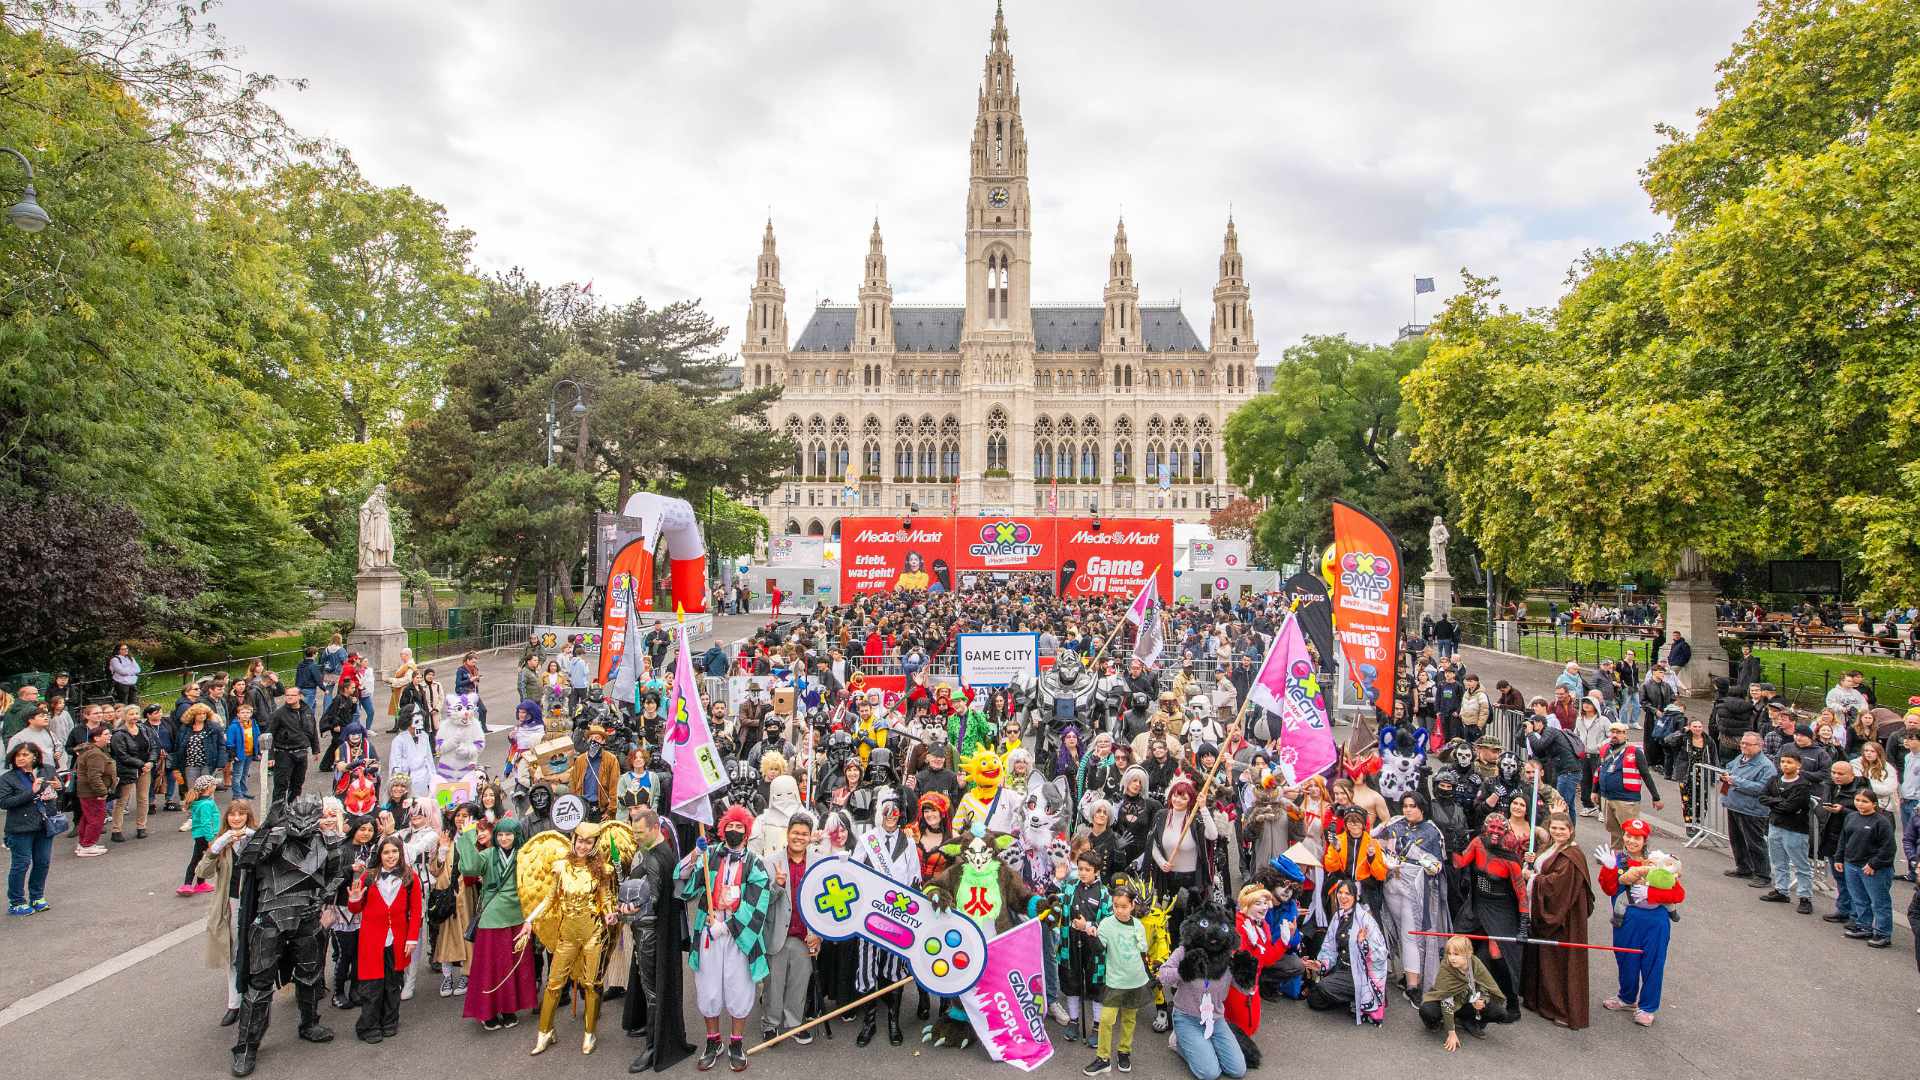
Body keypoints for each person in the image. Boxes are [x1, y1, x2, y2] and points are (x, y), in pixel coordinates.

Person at [231, 794, 350, 1077]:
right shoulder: (274, 839)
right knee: (259, 983)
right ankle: (247, 1045)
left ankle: (309, 1023)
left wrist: (320, 898)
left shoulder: (328, 842)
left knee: (310, 974)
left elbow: (338, 873)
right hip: (270, 918)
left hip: (306, 918)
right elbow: (246, 861)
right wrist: (265, 827)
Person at [677, 804, 777, 1072]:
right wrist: (695, 854)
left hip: (739, 937)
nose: (734, 830)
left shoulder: (756, 864)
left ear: (746, 831)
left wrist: (728, 925)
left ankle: (735, 1042)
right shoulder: (710, 855)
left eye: (739, 827)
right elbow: (683, 882)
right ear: (722, 830)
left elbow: (759, 902)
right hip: (709, 932)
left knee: (739, 989)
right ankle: (713, 1041)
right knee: (708, 989)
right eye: (729, 826)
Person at [623, 805, 693, 1073]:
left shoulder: (655, 858)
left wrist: (625, 910)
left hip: (650, 933)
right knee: (649, 986)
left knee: (652, 990)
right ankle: (649, 1033)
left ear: (654, 829)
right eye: (634, 831)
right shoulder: (657, 852)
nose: (635, 836)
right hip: (651, 932)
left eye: (639, 832)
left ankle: (654, 1045)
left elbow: (650, 899)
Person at [1595, 817, 1682, 1026]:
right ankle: (1626, 997)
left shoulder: (1659, 862)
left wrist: (1650, 893)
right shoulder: (1617, 861)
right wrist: (1608, 869)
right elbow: (1608, 890)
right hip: (1626, 920)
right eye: (1628, 835)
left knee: (1653, 963)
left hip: (1655, 922)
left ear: (1645, 840)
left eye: (1637, 837)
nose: (1631, 841)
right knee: (1625, 959)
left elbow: (1678, 894)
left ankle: (1647, 1007)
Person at [345, 833, 423, 1044]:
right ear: (380, 854)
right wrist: (354, 899)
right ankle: (368, 1026)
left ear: (400, 853)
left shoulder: (410, 877)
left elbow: (416, 911)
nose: (391, 856)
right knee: (372, 986)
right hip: (372, 940)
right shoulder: (368, 877)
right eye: (386, 852)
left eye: (395, 852)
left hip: (397, 940)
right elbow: (355, 907)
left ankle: (389, 1022)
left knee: (392, 984)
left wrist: (412, 939)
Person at [1158, 904, 1247, 1080]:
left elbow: (1244, 988)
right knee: (1210, 1073)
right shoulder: (1185, 951)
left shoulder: (1228, 957)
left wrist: (1247, 975)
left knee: (1237, 1070)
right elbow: (1163, 975)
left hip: (1215, 1018)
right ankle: (1178, 1041)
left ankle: (1204, 1046)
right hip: (1187, 1017)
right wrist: (1184, 972)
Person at [1376, 793, 1451, 1001]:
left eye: (1413, 806)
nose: (1408, 810)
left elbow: (1438, 865)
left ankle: (1413, 985)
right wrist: (1384, 859)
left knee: (1412, 934)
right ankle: (1408, 976)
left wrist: (1424, 861)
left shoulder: (1432, 831)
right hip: (1391, 885)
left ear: (1422, 808)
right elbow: (1373, 843)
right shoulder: (1394, 823)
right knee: (1399, 931)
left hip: (1415, 889)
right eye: (1405, 806)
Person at [465, 818, 538, 1030]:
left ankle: (508, 1009)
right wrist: (469, 835)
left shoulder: (525, 856)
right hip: (492, 916)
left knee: (512, 965)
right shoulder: (488, 854)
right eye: (500, 835)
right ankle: (487, 1011)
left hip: (518, 915)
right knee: (490, 966)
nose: (504, 838)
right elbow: (470, 868)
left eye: (508, 834)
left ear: (516, 835)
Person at [1521, 813, 1592, 1029]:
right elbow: (1545, 869)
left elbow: (1556, 886)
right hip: (1550, 912)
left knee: (1560, 962)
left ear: (1571, 830)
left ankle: (1562, 1009)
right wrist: (1532, 864)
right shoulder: (1550, 847)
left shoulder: (1572, 855)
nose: (1558, 832)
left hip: (1564, 918)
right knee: (1544, 958)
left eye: (1562, 829)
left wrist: (1531, 878)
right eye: (1554, 828)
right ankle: (1540, 1001)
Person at [760, 810, 820, 1044]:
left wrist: (819, 936)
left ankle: (795, 1023)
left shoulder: (818, 863)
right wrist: (777, 885)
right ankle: (770, 1023)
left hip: (805, 935)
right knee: (773, 983)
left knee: (799, 981)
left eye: (804, 834)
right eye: (795, 832)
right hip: (777, 933)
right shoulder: (770, 862)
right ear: (787, 834)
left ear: (810, 836)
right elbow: (762, 902)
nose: (799, 837)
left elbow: (822, 905)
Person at [197, 799, 258, 1026]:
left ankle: (254, 999)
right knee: (233, 955)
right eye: (232, 814)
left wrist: (255, 840)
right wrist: (215, 849)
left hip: (254, 904)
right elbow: (202, 871)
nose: (236, 818)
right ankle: (234, 1003)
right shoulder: (222, 844)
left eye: (241, 814)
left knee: (254, 952)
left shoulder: (256, 838)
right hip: (230, 904)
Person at [1085, 879, 1151, 1076]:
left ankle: (1124, 1051)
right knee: (1106, 1020)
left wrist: (1142, 943)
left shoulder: (1138, 925)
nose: (1120, 910)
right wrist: (1092, 935)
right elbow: (1098, 950)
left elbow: (1143, 949)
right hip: (1115, 981)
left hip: (1136, 980)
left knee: (1129, 1019)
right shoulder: (1106, 924)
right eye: (1116, 906)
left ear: (1132, 905)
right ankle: (1103, 1058)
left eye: (1124, 906)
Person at [1304, 876, 1389, 1024]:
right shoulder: (1338, 916)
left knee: (1323, 987)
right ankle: (1352, 997)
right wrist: (1321, 964)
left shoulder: (1365, 919)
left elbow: (1381, 953)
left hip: (1361, 973)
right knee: (1314, 999)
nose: (1342, 897)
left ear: (1356, 897)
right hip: (1341, 968)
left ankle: (1362, 995)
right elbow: (1329, 948)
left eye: (1347, 894)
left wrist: (1364, 944)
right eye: (1340, 892)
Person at [1418, 935, 1504, 1051]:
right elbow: (1446, 1000)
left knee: (1499, 1012)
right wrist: (1451, 1033)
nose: (1452, 958)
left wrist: (1482, 1000)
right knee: (1427, 1010)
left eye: (1456, 954)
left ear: (1468, 954)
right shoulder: (1446, 967)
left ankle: (1467, 1020)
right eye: (1449, 953)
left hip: (1466, 1002)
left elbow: (1485, 985)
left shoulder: (1475, 963)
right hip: (1444, 1002)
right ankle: (1438, 1022)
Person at [1758, 748, 1816, 913]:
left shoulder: (1803, 785)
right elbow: (1762, 797)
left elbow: (1791, 807)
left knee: (1801, 865)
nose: (1785, 765)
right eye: (1783, 761)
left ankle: (1805, 897)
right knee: (1778, 861)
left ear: (1798, 765)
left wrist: (1774, 802)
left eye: (1789, 762)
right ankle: (1781, 890)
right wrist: (1779, 802)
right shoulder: (1774, 779)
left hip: (1795, 829)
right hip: (1775, 825)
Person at [1838, 785, 1898, 948]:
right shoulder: (1851, 817)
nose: (1860, 804)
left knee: (1879, 902)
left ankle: (1883, 933)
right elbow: (1844, 839)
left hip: (1874, 869)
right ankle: (1864, 926)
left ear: (1874, 804)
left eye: (1864, 801)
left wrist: (1874, 864)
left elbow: (1889, 848)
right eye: (1857, 800)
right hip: (1852, 865)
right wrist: (1839, 858)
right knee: (1859, 899)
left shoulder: (1882, 822)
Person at [2, 742, 57, 916]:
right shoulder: (8, 778)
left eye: (25, 755)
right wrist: (31, 792)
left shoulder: (47, 769)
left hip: (44, 823)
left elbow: (58, 790)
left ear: (35, 755)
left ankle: (37, 896)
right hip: (20, 828)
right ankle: (16, 901)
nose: (21, 758)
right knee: (21, 864)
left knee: (42, 862)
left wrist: (59, 788)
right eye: (18, 755)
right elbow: (5, 802)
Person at [1591, 720, 1664, 846]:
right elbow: (1599, 771)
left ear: (1625, 735)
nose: (1614, 735)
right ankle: (1617, 859)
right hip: (1607, 797)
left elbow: (1646, 775)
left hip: (1626, 799)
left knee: (1631, 831)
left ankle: (1636, 857)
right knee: (1614, 831)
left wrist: (1656, 797)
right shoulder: (1604, 750)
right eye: (1612, 732)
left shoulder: (1635, 752)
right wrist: (1594, 791)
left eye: (1618, 732)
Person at [1722, 731, 1777, 883]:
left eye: (1748, 744)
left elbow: (1761, 788)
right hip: (1734, 805)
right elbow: (1730, 767)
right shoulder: (1740, 757)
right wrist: (1727, 774)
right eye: (1743, 743)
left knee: (1755, 843)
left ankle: (1763, 875)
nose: (1744, 746)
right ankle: (1744, 867)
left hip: (1752, 809)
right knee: (1736, 840)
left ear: (1760, 746)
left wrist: (1736, 780)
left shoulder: (1766, 766)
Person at [267, 685, 319, 805]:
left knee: (297, 784)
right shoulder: (278, 714)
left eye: (292, 695)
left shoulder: (307, 711)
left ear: (300, 696)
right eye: (287, 695)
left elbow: (313, 730)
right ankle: (277, 812)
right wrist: (270, 757)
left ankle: (293, 809)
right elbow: (269, 735)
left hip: (302, 753)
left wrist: (315, 749)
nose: (289, 697)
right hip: (284, 753)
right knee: (281, 785)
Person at [110, 705, 155, 841]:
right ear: (124, 716)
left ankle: (141, 827)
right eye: (131, 714)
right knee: (122, 800)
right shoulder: (118, 734)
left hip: (145, 768)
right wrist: (141, 764)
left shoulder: (144, 729)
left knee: (143, 798)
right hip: (127, 770)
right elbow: (121, 755)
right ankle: (116, 829)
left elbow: (154, 746)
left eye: (136, 713)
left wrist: (151, 762)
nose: (135, 716)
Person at [72, 724, 115, 856]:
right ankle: (88, 845)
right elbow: (94, 776)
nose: (110, 736)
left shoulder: (92, 751)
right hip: (92, 793)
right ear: (96, 738)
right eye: (106, 734)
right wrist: (102, 792)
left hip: (88, 791)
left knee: (88, 817)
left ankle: (84, 843)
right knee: (96, 818)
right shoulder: (95, 754)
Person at [178, 775, 221, 895]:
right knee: (197, 860)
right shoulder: (206, 804)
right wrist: (210, 839)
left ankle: (200, 883)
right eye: (214, 785)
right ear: (208, 787)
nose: (215, 786)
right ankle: (188, 884)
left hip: (200, 835)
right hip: (205, 836)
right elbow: (206, 823)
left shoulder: (201, 802)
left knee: (202, 859)